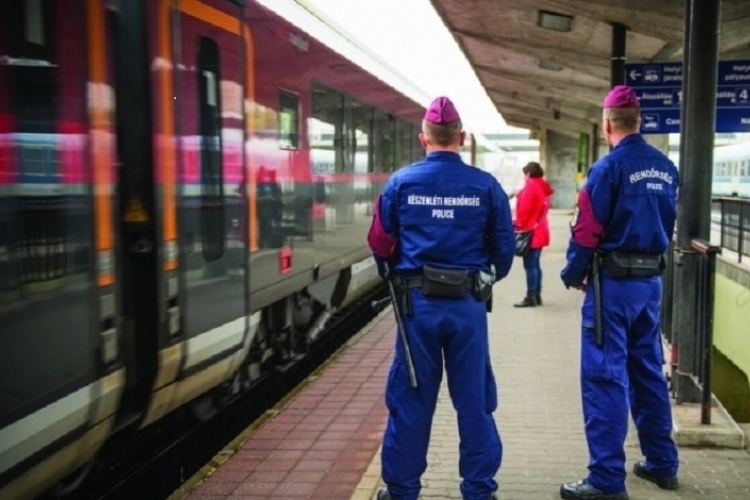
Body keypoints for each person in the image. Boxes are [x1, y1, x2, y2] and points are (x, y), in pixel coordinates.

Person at [367, 96, 516, 500]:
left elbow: (380, 244)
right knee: (474, 401)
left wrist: (399, 274)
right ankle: (479, 490)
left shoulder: (401, 183)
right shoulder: (486, 186)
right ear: (462, 138)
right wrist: (484, 280)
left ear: (424, 139)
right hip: (468, 308)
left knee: (412, 399)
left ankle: (402, 491)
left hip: (417, 309)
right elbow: (504, 250)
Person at [559, 85, 680, 500]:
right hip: (650, 286)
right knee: (647, 371)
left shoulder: (607, 169)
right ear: (639, 121)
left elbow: (587, 229)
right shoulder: (666, 167)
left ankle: (606, 481)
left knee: (604, 376)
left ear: (607, 123)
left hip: (612, 287)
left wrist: (573, 272)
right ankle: (662, 464)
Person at [512, 161, 554, 307]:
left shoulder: (530, 186)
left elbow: (525, 210)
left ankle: (530, 297)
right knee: (535, 264)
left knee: (530, 265)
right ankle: (537, 295)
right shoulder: (542, 186)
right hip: (541, 229)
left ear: (528, 174)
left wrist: (516, 224)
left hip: (531, 232)